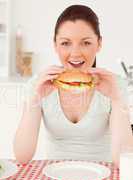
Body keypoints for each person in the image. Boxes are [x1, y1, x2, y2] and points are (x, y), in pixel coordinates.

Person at [14, 4, 133, 166]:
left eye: (85, 43)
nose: (75, 53)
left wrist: (117, 100)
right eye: (65, 43)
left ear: (99, 44)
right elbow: (22, 157)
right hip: (55, 177)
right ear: (55, 44)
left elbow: (124, 161)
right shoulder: (39, 83)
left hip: (102, 179)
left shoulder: (114, 84)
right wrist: (34, 98)